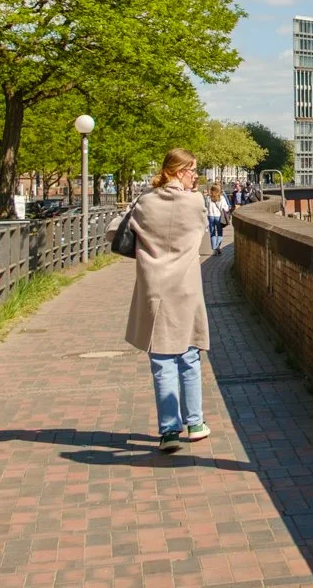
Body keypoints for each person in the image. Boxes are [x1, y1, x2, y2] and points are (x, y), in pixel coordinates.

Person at [111, 148, 212, 452]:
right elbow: (203, 229)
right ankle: (195, 423)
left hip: (154, 287)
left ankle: (169, 431)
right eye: (193, 170)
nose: (196, 176)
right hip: (186, 286)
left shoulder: (145, 202)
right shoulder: (195, 202)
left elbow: (115, 229)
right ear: (179, 171)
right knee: (190, 354)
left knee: (162, 357)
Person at [205, 183, 231, 253]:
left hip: (210, 216)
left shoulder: (208, 197)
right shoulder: (221, 198)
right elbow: (225, 208)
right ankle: (217, 246)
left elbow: (206, 207)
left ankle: (214, 247)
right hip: (218, 216)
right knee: (220, 232)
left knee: (212, 232)